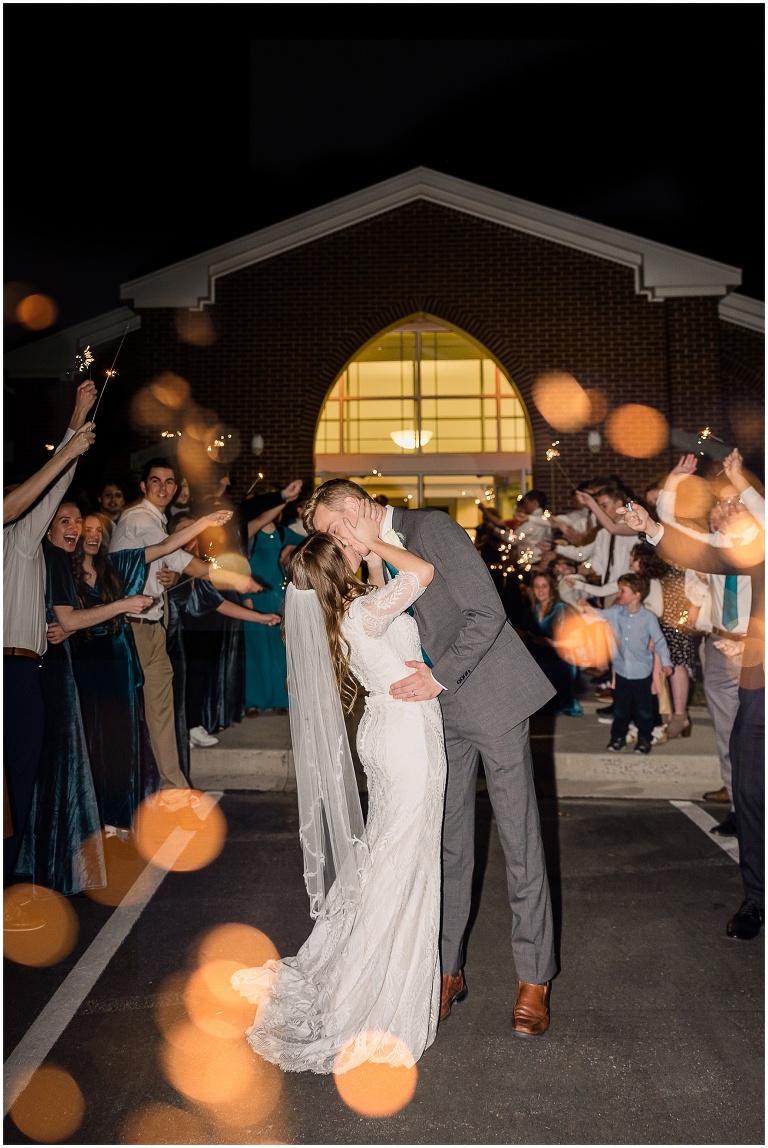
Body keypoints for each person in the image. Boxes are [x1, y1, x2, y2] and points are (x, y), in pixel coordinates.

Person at [302, 479, 557, 1037]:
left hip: (489, 699)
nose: (334, 541)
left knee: (519, 840)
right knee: (447, 845)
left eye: (331, 528)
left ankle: (533, 978)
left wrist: (438, 679)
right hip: (433, 718)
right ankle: (446, 969)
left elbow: (486, 614)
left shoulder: (430, 528)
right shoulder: (375, 556)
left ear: (356, 508)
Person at [231, 500, 446, 1072]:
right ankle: (365, 993)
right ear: (337, 569)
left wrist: (370, 556)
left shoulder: (348, 615)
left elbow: (388, 596)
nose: (356, 544)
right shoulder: (362, 615)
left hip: (387, 733)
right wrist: (376, 538)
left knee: (388, 863)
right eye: (348, 548)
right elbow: (420, 574)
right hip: (407, 742)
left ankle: (358, 972)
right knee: (404, 867)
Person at [620, 487, 764, 941]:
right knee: (749, 788)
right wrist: (652, 527)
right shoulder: (741, 553)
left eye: (742, 507)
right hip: (756, 687)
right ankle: (756, 899)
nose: (733, 515)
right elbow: (702, 554)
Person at [3, 379, 96, 931]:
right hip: (8, 674)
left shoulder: (25, 552)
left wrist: (76, 417)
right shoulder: (13, 534)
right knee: (10, 785)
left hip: (26, 672)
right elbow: (44, 494)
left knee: (20, 786)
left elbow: (50, 491)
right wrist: (72, 441)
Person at [108, 459, 247, 815]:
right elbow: (181, 556)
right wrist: (221, 568)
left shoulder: (152, 521)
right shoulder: (139, 518)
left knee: (159, 712)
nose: (164, 487)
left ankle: (169, 788)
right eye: (156, 481)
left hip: (151, 626)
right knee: (149, 713)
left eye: (170, 482)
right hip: (132, 629)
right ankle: (165, 790)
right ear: (143, 486)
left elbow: (169, 565)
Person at [14, 500, 107, 895]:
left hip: (48, 663)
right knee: (61, 764)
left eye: (77, 523)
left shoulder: (52, 560)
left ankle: (41, 865)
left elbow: (58, 619)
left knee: (48, 767)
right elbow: (67, 619)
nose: (74, 529)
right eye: (64, 521)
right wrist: (122, 606)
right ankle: (57, 870)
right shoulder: (52, 557)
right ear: (47, 528)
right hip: (49, 671)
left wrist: (65, 628)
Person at [164, 514, 282, 780]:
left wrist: (261, 618)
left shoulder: (198, 566)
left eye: (193, 532)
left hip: (199, 636)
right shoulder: (167, 564)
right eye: (184, 530)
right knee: (177, 686)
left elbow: (220, 604)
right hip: (173, 637)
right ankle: (180, 732)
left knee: (198, 681)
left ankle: (192, 726)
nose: (190, 538)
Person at [591, 572, 673, 755]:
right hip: (621, 671)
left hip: (641, 673)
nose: (619, 594)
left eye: (623, 590)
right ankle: (617, 738)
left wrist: (666, 662)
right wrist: (583, 607)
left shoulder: (648, 618)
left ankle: (644, 738)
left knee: (644, 710)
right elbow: (598, 615)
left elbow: (659, 641)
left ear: (637, 594)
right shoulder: (616, 613)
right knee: (620, 709)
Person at [242, 505, 305, 716]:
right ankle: (253, 701)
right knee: (255, 650)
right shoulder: (248, 532)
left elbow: (307, 540)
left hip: (278, 592)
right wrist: (245, 597)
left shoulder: (281, 531)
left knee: (279, 649)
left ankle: (281, 698)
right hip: (254, 592)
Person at [519, 571, 583, 716]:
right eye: (536, 586)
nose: (540, 590)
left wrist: (552, 643)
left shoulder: (562, 609)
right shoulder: (532, 609)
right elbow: (526, 633)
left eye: (544, 586)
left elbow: (577, 639)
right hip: (538, 656)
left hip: (560, 658)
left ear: (551, 589)